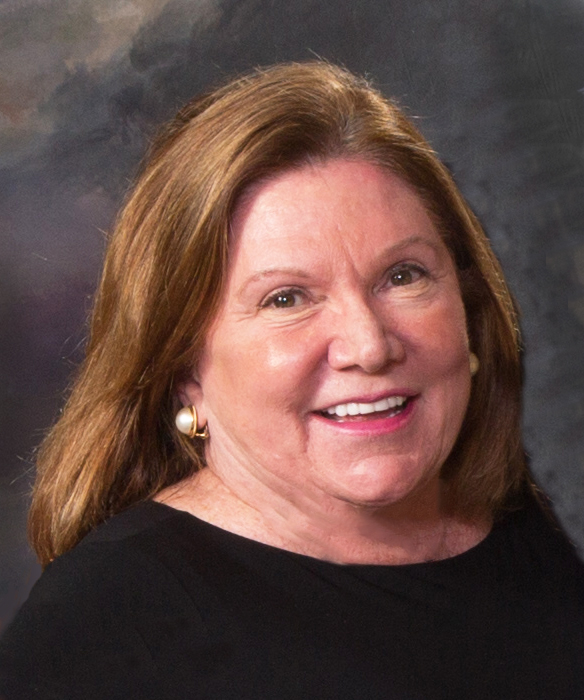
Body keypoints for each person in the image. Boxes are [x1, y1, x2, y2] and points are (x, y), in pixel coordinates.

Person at [0, 61, 583, 700]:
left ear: (469, 306)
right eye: (286, 299)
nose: (369, 345)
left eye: (403, 276)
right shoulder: (103, 627)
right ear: (182, 366)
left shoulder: (523, 531)